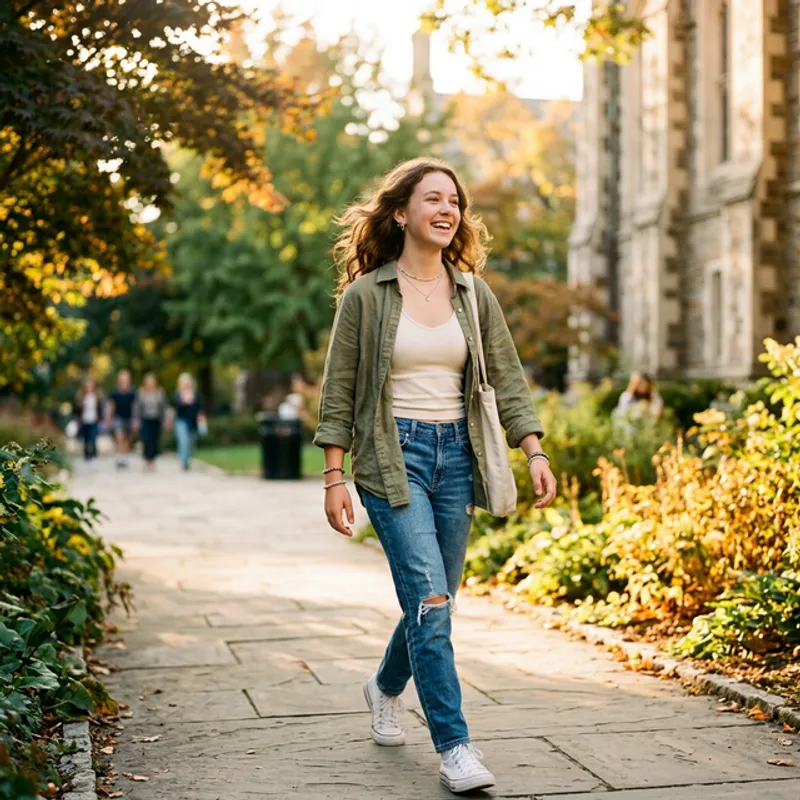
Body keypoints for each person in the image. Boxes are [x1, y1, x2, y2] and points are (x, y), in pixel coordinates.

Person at [314, 157, 557, 794]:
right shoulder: (366, 296)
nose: (447, 210)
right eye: (433, 199)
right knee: (429, 600)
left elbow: (508, 379)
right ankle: (455, 747)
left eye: (455, 201)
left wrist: (534, 451)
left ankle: (383, 686)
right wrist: (334, 478)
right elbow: (338, 392)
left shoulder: (473, 295)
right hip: (391, 458)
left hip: (457, 458)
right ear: (400, 213)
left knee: (436, 599)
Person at [172, 373, 205, 470]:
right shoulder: (177, 395)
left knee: (191, 442)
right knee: (183, 440)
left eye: (187, 383)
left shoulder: (196, 395)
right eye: (184, 383)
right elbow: (175, 407)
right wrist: (184, 401)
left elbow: (200, 407)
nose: (186, 385)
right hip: (181, 421)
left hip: (193, 422)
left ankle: (187, 459)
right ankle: (184, 461)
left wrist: (201, 416)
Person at [135, 373, 167, 471]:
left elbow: (164, 407)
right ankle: (147, 460)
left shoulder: (160, 392)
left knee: (154, 440)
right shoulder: (141, 392)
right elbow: (137, 407)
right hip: (145, 419)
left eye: (152, 381)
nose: (150, 383)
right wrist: (136, 420)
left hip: (156, 419)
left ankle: (152, 460)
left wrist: (165, 420)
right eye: (148, 382)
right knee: (146, 440)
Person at [108, 370, 137, 469]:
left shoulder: (132, 391)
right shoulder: (115, 391)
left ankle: (125, 457)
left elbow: (135, 406)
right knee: (119, 437)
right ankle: (119, 457)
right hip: (118, 417)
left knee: (127, 439)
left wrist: (135, 420)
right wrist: (110, 418)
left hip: (129, 417)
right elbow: (112, 406)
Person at [74, 378, 103, 462]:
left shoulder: (96, 396)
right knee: (86, 439)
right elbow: (76, 410)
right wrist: (80, 406)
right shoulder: (81, 397)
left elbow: (100, 408)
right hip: (84, 420)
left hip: (94, 420)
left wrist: (101, 418)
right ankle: (87, 455)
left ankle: (94, 455)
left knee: (93, 438)